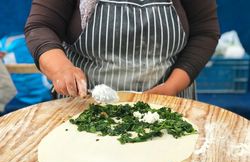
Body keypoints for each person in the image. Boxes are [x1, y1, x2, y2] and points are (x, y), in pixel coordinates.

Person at [25, 0, 220, 100]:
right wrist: (61, 69)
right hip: (84, 106)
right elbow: (41, 26)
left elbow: (204, 32)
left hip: (169, 103)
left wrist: (172, 87)